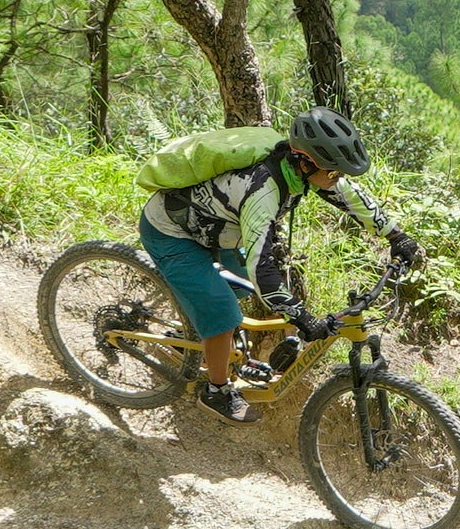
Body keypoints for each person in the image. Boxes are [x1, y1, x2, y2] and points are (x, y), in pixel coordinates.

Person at [138, 107, 377, 423]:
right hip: (170, 231)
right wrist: (304, 318)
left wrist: (398, 237)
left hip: (213, 230)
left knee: (237, 286)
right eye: (334, 171)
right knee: (224, 312)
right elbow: (263, 273)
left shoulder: (300, 171)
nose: (338, 178)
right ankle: (216, 391)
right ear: (306, 162)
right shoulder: (262, 189)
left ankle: (199, 336)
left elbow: (351, 197)